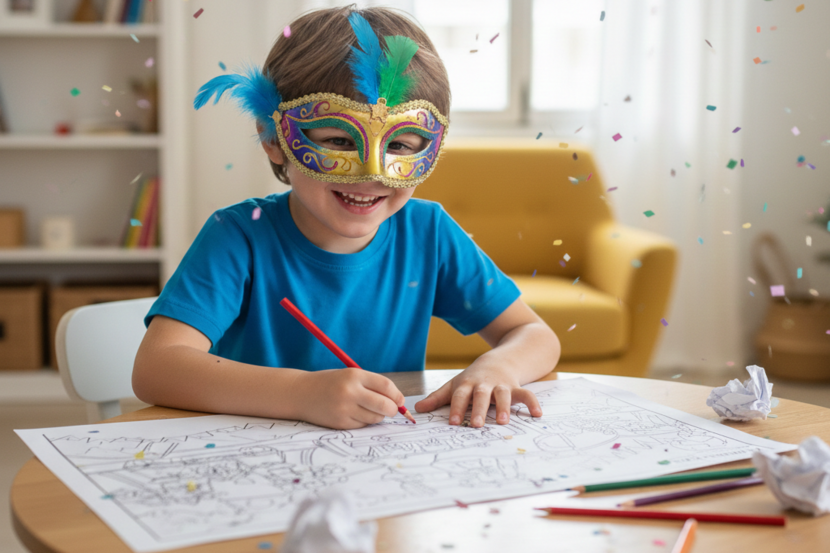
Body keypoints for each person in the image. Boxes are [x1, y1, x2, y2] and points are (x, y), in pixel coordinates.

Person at [132, 5, 560, 431]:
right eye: (338, 139)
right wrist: (301, 394)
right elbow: (156, 367)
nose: (372, 174)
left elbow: (536, 335)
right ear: (273, 139)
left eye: (402, 145)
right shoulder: (238, 236)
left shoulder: (428, 232)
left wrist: (497, 369)